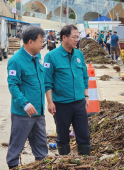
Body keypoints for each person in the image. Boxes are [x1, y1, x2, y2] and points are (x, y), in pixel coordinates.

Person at [44, 25, 91, 156]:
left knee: (84, 135)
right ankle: (65, 161)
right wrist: (49, 102)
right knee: (63, 135)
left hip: (79, 103)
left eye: (78, 37)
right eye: (74, 37)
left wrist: (86, 96)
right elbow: (47, 82)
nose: (77, 40)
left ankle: (84, 161)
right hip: (61, 104)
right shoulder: (51, 56)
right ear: (64, 37)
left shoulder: (79, 54)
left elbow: (85, 76)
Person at [6, 26, 48, 170]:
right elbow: (13, 86)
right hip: (23, 114)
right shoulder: (16, 61)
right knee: (16, 147)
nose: (43, 44)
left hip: (38, 111)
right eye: (41, 41)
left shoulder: (37, 57)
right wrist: (25, 103)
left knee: (42, 148)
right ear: (30, 42)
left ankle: (41, 166)